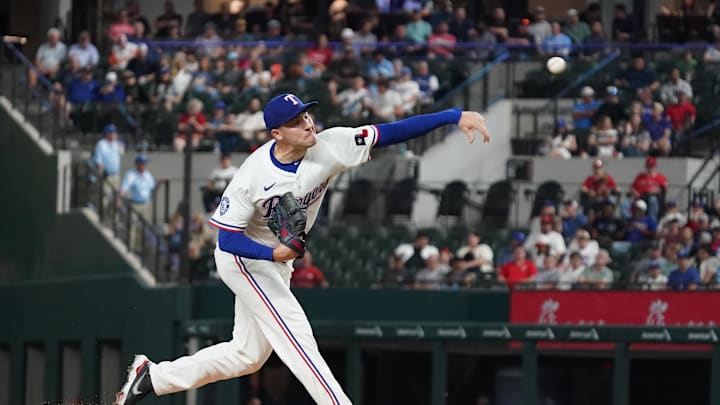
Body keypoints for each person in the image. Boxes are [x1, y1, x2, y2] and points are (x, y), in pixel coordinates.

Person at [114, 93, 491, 404]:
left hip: (278, 262)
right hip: (244, 257)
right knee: (296, 336)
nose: (308, 124)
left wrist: (452, 115)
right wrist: (273, 255)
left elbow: (387, 133)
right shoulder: (252, 176)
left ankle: (154, 378)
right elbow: (226, 238)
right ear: (277, 133)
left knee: (247, 356)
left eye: (308, 115)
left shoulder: (331, 145)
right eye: (297, 122)